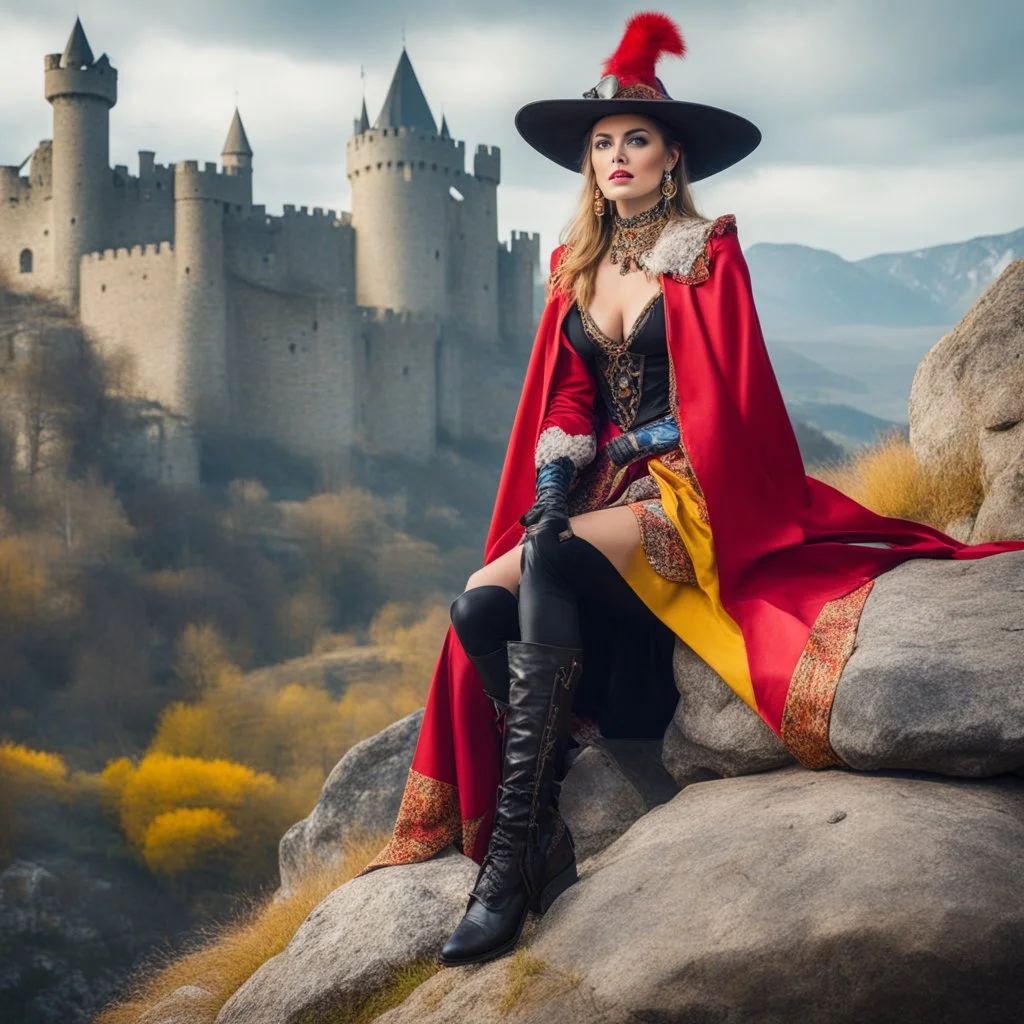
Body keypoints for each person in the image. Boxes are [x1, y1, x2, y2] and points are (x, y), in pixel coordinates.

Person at [353, 11, 1024, 967]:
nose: (615, 157)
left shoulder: (705, 252)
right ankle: (544, 832)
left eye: (635, 141)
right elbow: (570, 394)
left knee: (547, 558)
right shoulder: (575, 268)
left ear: (671, 159)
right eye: (601, 145)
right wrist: (552, 485)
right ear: (587, 166)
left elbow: (732, 394)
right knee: (474, 609)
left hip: (689, 491)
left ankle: (505, 867)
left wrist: (606, 491)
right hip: (600, 488)